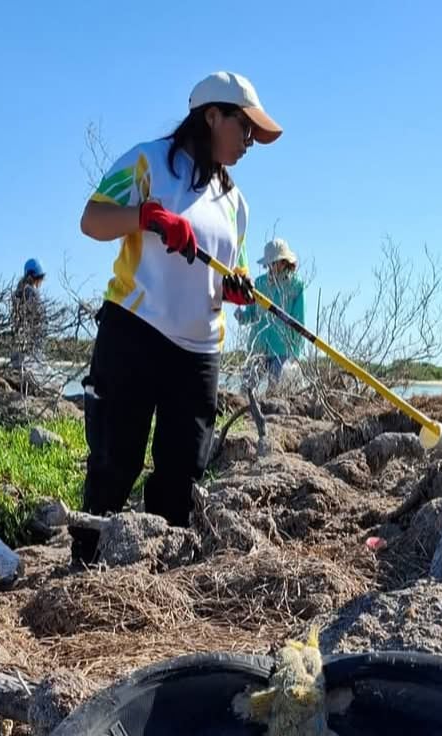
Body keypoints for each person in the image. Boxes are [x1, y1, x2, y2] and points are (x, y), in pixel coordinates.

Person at [75, 70, 282, 563]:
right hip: (134, 333)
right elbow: (92, 220)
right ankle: (84, 563)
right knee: (115, 461)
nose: (250, 140)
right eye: (244, 127)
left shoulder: (237, 204)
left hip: (198, 353)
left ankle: (160, 569)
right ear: (212, 116)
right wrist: (146, 217)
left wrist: (238, 289)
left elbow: (234, 272)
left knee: (182, 471)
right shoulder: (148, 163)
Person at [236, 237, 305, 391]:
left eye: (274, 262)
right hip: (258, 345)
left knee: (274, 393)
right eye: (269, 263)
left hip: (282, 350)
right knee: (246, 389)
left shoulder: (296, 286)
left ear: (284, 262)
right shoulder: (259, 283)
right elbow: (252, 314)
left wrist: (295, 355)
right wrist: (242, 317)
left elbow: (299, 322)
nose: (271, 266)